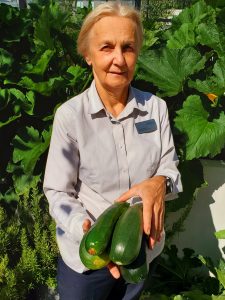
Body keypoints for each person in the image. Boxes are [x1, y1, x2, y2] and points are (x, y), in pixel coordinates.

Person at [43, 2, 182, 299]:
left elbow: (170, 168)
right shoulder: (70, 116)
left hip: (143, 251)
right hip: (88, 262)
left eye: (128, 47)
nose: (119, 59)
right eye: (107, 47)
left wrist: (161, 182)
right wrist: (85, 229)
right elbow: (57, 191)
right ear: (88, 55)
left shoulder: (155, 109)